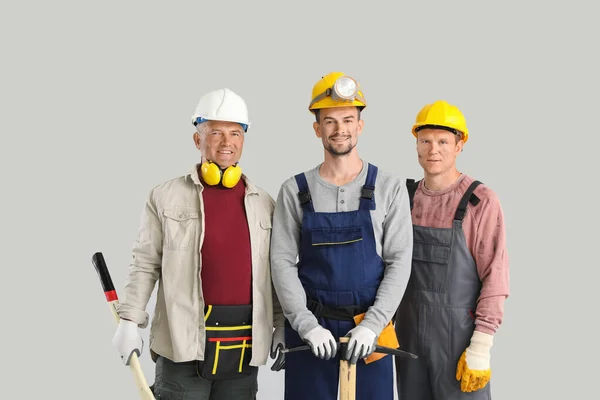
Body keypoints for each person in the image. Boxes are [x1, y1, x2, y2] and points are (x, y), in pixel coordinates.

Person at [111, 87, 285, 399]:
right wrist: (129, 320)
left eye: (235, 133)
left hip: (244, 345)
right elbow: (145, 262)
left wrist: (279, 325)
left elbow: (274, 272)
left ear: (244, 140)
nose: (226, 142)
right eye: (216, 132)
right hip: (182, 345)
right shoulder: (164, 197)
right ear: (197, 140)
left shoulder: (264, 203)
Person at [269, 72, 414, 400]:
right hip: (312, 334)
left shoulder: (389, 188)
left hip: (368, 331)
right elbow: (281, 262)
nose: (340, 129)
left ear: (360, 125)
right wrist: (305, 325)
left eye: (348, 119)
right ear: (317, 128)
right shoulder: (294, 191)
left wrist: (374, 324)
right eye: (330, 121)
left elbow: (399, 261)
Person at [395, 100, 510, 399]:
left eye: (443, 141)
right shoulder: (403, 199)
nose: (434, 149)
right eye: (426, 141)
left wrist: (481, 346)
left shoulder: (479, 201)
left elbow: (496, 277)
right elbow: (387, 266)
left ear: (460, 145)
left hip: (459, 341)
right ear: (417, 145)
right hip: (407, 340)